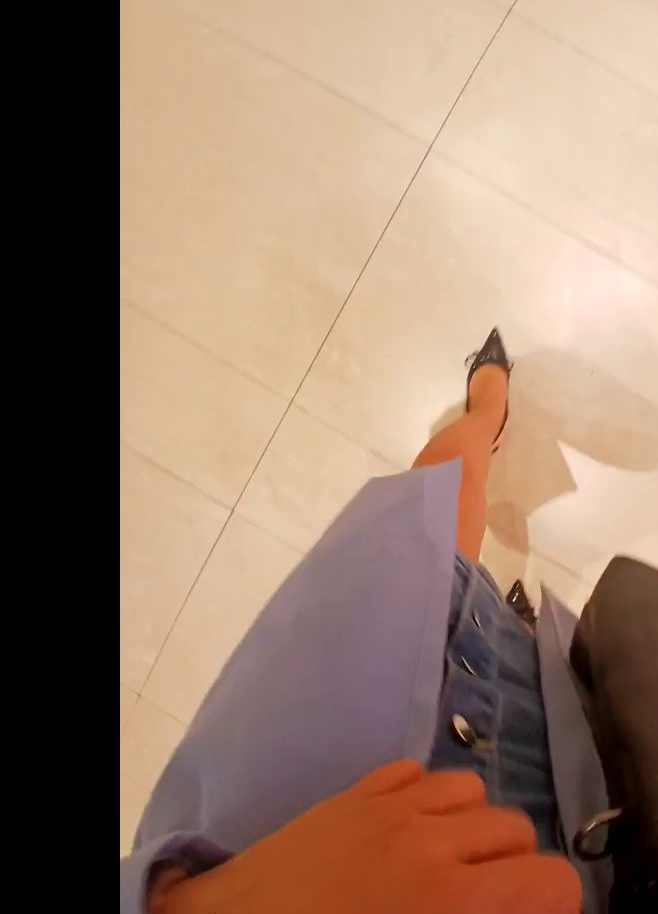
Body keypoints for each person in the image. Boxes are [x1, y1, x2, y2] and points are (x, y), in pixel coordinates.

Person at [121, 328, 613, 914]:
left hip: (284, 813)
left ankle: (487, 415)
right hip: (628, 826)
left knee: (437, 510)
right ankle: (516, 635)